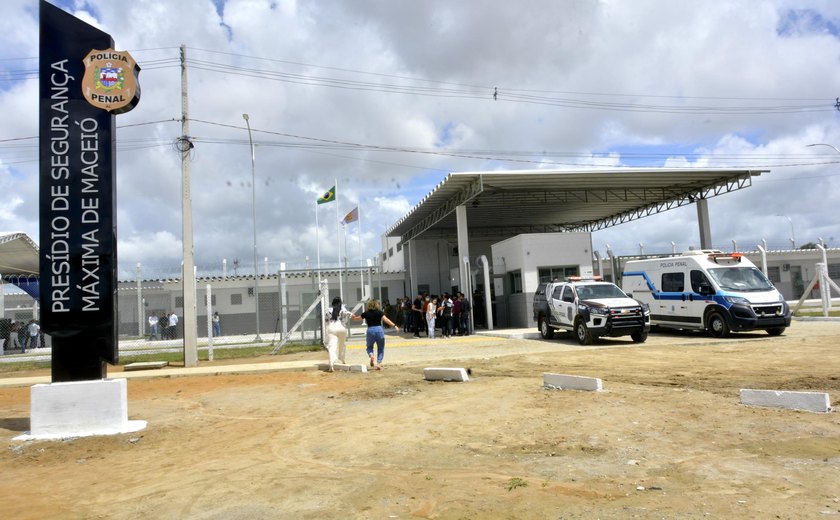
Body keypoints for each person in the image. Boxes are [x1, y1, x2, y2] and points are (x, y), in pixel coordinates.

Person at [353, 299, 398, 370]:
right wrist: (394, 325)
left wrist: (353, 317)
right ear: (377, 305)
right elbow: (386, 320)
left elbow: (357, 318)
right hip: (379, 330)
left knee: (369, 347)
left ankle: (371, 355)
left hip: (370, 330)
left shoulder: (366, 313)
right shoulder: (380, 312)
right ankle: (378, 363)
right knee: (380, 348)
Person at [323, 296, 352, 372]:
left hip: (332, 327)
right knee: (342, 344)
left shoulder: (329, 310)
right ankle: (342, 359)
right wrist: (351, 315)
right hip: (341, 327)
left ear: (332, 303)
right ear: (340, 303)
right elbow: (347, 313)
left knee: (332, 346)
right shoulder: (342, 309)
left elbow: (326, 321)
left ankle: (331, 364)